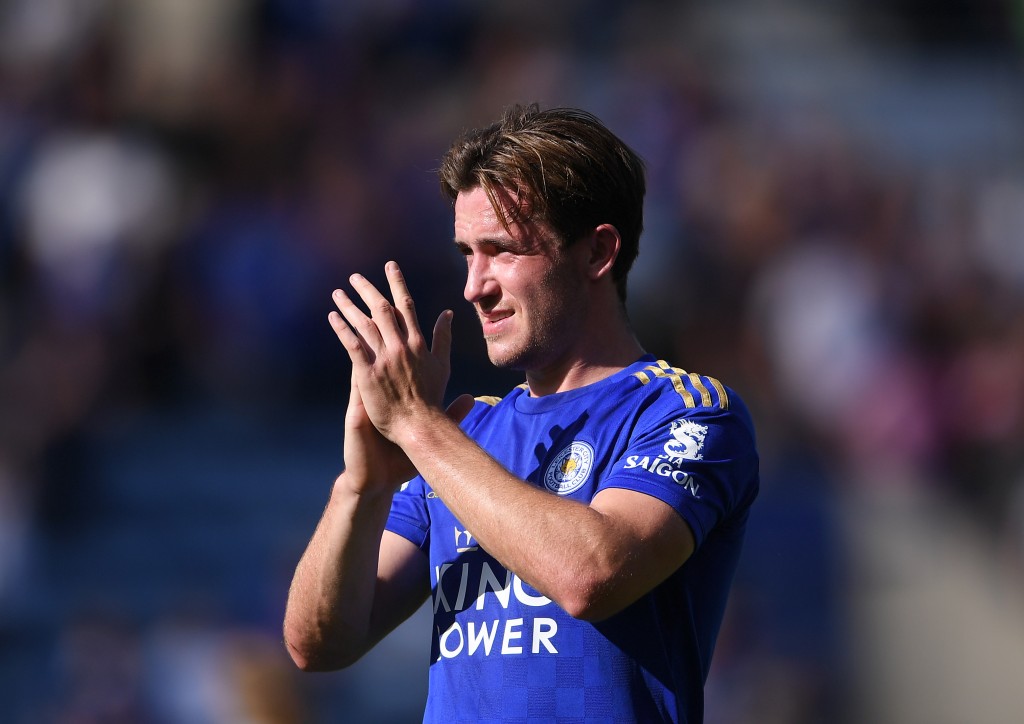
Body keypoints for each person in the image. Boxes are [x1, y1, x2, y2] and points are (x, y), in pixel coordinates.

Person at [283, 104, 759, 723]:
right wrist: (362, 488)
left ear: (597, 253)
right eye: (466, 254)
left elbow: (590, 575)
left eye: (502, 251)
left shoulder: (684, 412)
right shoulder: (464, 436)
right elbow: (317, 644)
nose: (473, 285)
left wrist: (419, 427)